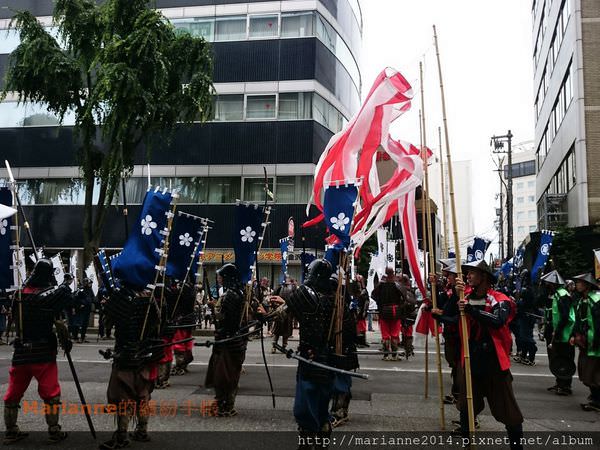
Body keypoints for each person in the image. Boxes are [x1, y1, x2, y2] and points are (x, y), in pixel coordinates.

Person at [3, 259, 73, 444]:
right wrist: (66, 282)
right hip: (42, 353)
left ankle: (11, 431)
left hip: (21, 351)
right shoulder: (45, 296)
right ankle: (54, 431)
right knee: (51, 394)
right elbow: (65, 295)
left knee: (13, 393)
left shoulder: (19, 295)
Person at [455, 260, 523, 449]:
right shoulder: (466, 296)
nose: (467, 276)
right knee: (466, 407)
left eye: (471, 273)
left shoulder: (500, 299)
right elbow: (455, 314)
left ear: (484, 276)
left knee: (509, 412)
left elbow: (497, 321)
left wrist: (470, 310)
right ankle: (468, 444)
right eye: (466, 273)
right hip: (471, 360)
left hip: (494, 363)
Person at [100, 286, 163, 449]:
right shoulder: (149, 298)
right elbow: (157, 322)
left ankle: (121, 436)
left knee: (123, 396)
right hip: (145, 352)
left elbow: (107, 323)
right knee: (142, 393)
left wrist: (108, 305)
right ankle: (142, 430)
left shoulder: (119, 297)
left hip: (126, 354)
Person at [284, 259, 336, 446]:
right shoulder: (335, 299)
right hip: (328, 360)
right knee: (321, 403)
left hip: (312, 357)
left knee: (305, 406)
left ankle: (309, 438)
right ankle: (321, 434)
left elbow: (293, 299)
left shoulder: (312, 297)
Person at [204, 264, 248, 417]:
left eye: (221, 276)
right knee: (231, 375)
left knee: (223, 375)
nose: (218, 278)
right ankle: (228, 405)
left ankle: (224, 405)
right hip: (235, 338)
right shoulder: (239, 293)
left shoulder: (230, 295)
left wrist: (214, 309)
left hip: (227, 338)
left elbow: (226, 318)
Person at [540, 270, 576, 396]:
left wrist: (558, 331)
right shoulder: (555, 295)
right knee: (555, 358)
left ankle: (565, 385)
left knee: (564, 358)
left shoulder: (563, 295)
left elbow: (565, 316)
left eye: (548, 283)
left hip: (563, 333)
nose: (546, 285)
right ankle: (559, 381)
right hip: (555, 332)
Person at [431, 265, 460, 404]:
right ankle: (457, 394)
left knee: (460, 368)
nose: (447, 277)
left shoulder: (462, 292)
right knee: (455, 366)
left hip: (459, 335)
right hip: (451, 334)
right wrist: (435, 286)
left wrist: (440, 316)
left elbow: (456, 317)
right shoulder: (452, 291)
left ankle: (460, 397)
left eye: (450, 275)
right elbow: (442, 304)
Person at [571, 273, 600, 412]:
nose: (576, 284)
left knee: (593, 372)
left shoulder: (595, 300)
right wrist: (574, 335)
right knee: (585, 370)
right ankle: (594, 398)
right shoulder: (582, 300)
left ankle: (597, 400)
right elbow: (579, 321)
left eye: (579, 282)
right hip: (586, 343)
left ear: (587, 285)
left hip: (595, 343)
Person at [371, 268, 407, 361]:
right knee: (394, 334)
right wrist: (400, 305)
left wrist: (380, 303)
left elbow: (373, 295)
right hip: (395, 312)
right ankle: (394, 355)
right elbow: (404, 297)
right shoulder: (397, 283)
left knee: (386, 335)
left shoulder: (381, 284)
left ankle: (386, 355)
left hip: (384, 311)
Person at [171, 277, 197, 376]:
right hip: (189, 319)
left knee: (179, 343)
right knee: (186, 341)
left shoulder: (182, 289)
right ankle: (184, 362)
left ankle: (180, 365)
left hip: (181, 319)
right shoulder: (191, 288)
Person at [514, 270, 537, 365]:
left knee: (527, 337)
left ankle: (531, 357)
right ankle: (523, 355)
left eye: (522, 277)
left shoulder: (528, 289)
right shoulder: (525, 288)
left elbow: (525, 303)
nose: (521, 279)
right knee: (522, 337)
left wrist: (517, 302)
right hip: (523, 315)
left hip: (527, 315)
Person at [270, 276, 296, 353]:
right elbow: (273, 297)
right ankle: (274, 346)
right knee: (277, 331)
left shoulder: (293, 288)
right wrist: (275, 306)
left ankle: (284, 346)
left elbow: (294, 299)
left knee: (286, 332)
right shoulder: (279, 287)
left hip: (288, 312)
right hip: (280, 310)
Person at [73, 278, 94, 343]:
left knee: (85, 324)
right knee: (78, 323)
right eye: (89, 283)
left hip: (87, 309)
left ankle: (82, 337)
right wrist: (81, 304)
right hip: (81, 309)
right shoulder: (81, 290)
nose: (90, 284)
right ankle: (75, 337)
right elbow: (75, 298)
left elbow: (91, 298)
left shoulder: (90, 290)